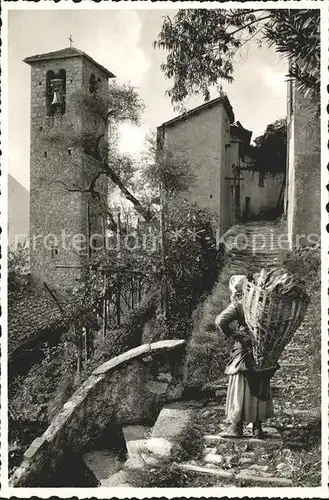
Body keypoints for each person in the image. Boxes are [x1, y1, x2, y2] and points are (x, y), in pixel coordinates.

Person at [215, 275, 277, 439]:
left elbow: (220, 321)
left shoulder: (238, 305)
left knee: (241, 385)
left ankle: (236, 427)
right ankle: (257, 428)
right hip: (263, 349)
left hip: (244, 351)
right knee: (260, 383)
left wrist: (235, 335)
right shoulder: (264, 302)